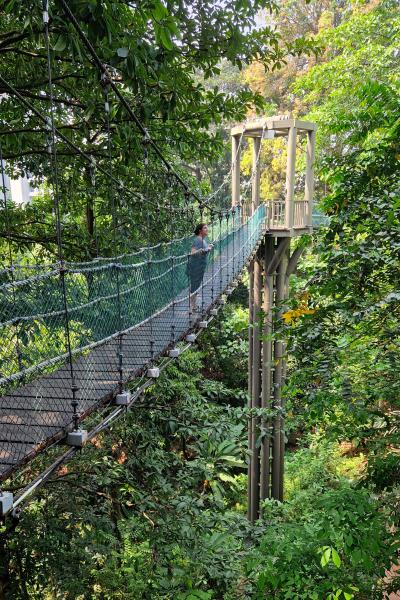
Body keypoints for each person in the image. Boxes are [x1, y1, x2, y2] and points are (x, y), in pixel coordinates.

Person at [188, 223, 213, 313]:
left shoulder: (203, 240)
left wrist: (208, 247)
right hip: (195, 267)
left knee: (196, 286)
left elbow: (204, 250)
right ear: (200, 230)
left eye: (207, 227)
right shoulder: (198, 240)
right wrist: (202, 250)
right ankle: (193, 308)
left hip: (200, 267)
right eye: (205, 228)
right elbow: (193, 252)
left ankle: (194, 307)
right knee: (195, 286)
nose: (207, 229)